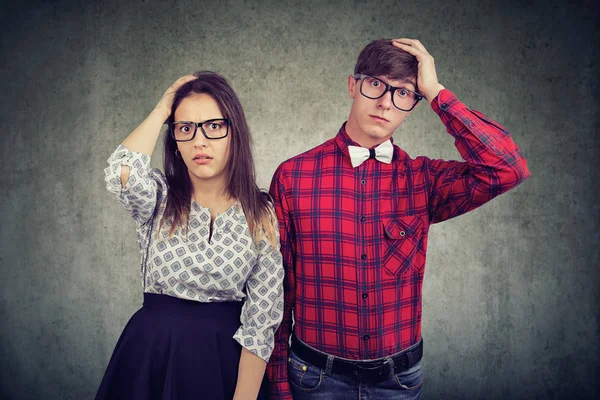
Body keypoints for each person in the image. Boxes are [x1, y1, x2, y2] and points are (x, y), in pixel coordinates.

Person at [266, 38, 531, 399]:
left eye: (404, 93)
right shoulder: (293, 177)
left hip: (399, 383)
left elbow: (507, 168)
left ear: (413, 105)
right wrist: (279, 386)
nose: (385, 102)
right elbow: (278, 291)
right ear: (352, 85)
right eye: (376, 83)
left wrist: (436, 91)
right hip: (314, 379)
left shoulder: (424, 180)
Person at [96, 71, 284, 400]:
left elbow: (263, 317)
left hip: (221, 365)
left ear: (234, 132)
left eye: (213, 126)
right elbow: (120, 174)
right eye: (185, 129)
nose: (200, 141)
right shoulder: (157, 196)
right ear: (176, 142)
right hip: (148, 357)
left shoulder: (261, 213)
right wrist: (161, 111)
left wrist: (244, 397)